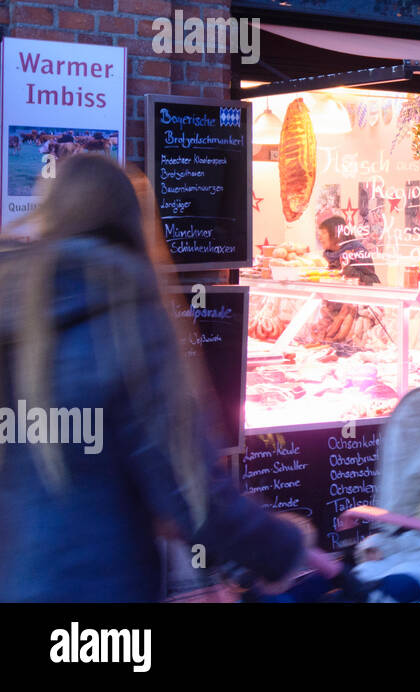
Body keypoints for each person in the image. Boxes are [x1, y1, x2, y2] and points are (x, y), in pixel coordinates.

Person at [0, 154, 332, 601]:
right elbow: (191, 490)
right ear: (132, 222)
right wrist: (283, 549)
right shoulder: (125, 314)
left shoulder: (13, 309)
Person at [318, 213, 381, 286]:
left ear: (336, 234)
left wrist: (349, 271)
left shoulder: (358, 252)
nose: (320, 238)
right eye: (320, 234)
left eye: (324, 233)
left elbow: (373, 281)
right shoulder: (327, 256)